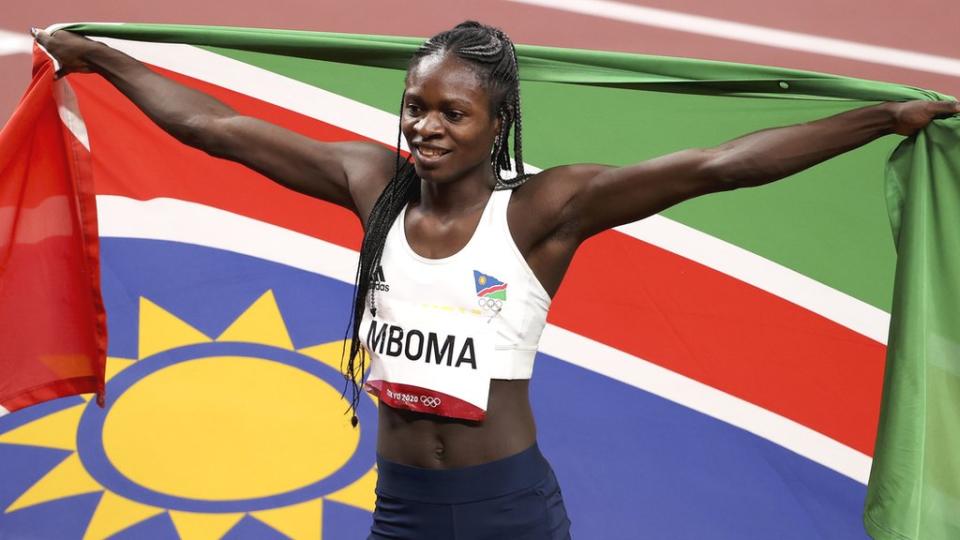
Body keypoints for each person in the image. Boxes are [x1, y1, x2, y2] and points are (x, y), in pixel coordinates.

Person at [34, 21, 959, 540]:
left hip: (506, 510)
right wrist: (104, 58)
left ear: (497, 122)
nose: (426, 127)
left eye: (453, 112)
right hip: (400, 507)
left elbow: (720, 164)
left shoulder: (543, 212)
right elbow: (214, 130)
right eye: (414, 107)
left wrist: (879, 116)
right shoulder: (373, 188)